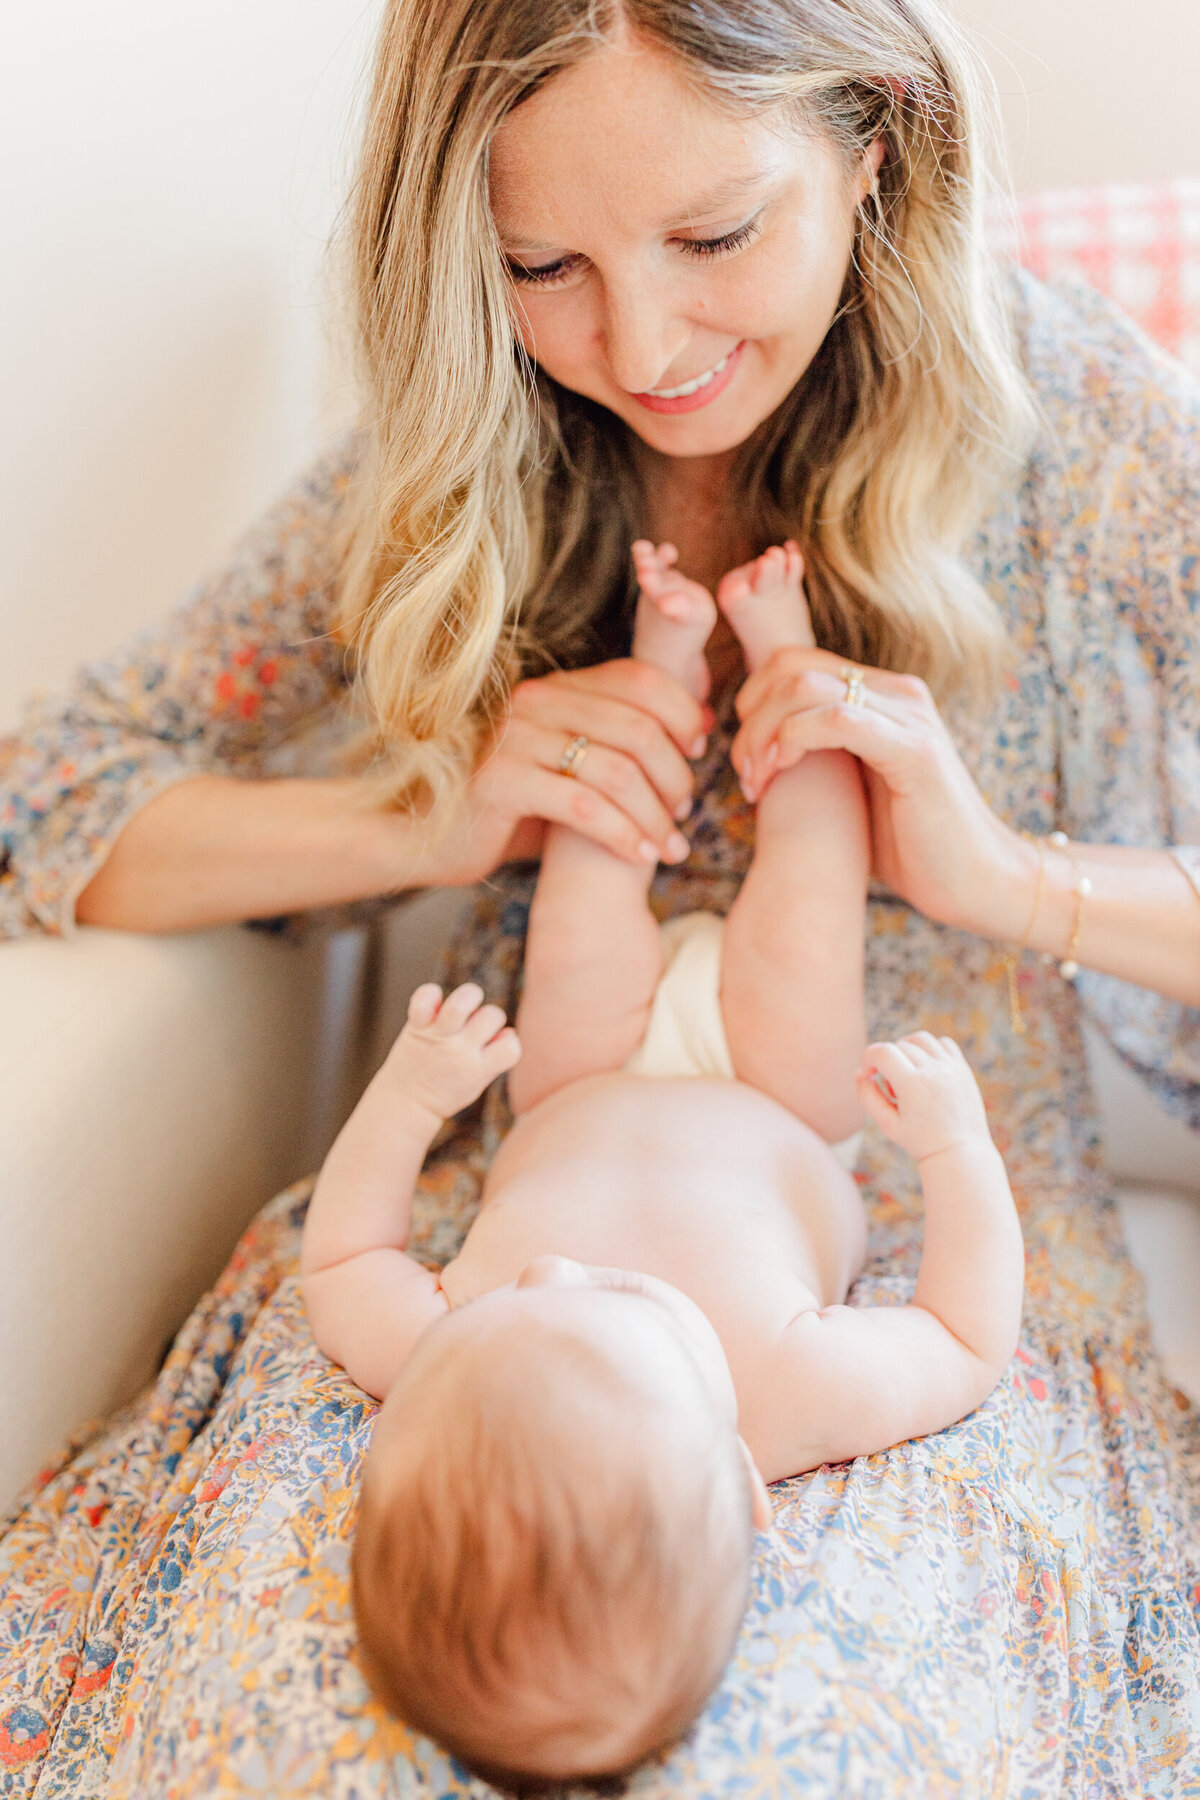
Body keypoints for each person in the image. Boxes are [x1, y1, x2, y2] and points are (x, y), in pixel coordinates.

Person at [1, 0, 1197, 1793]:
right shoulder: (472, 460)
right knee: (339, 1729)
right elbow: (54, 797)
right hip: (529, 1199)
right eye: (539, 261)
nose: (641, 346)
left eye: (715, 236)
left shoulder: (1076, 425)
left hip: (909, 1194)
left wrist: (1008, 877)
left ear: (874, 140)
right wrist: (436, 820)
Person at [301, 552, 1023, 1790]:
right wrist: (957, 1148)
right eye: (617, 1300)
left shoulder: (445, 1362)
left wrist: (413, 1096)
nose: (562, 1263)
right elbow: (964, 1335)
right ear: (741, 1479)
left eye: (528, 1294)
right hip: (779, 1100)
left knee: (589, 883)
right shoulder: (786, 1394)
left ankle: (667, 655)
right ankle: (784, 656)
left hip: (574, 1082)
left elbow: (346, 1255)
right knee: (811, 884)